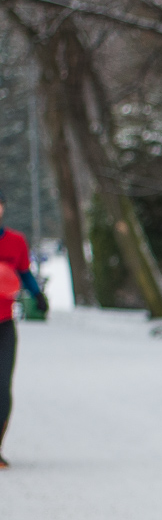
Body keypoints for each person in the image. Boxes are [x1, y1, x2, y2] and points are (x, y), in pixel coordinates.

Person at [0, 189, 49, 470]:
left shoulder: (15, 242)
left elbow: (24, 272)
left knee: (1, 388)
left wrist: (37, 294)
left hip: (4, 325)